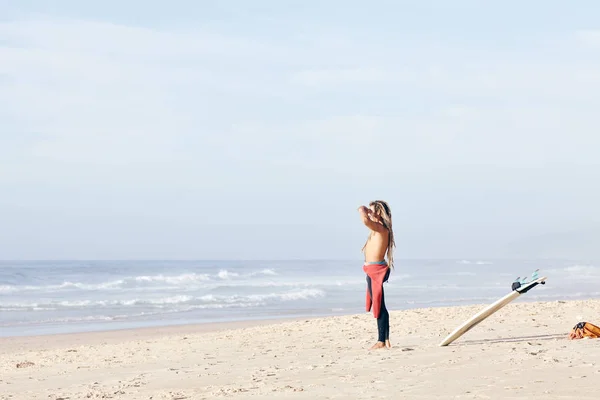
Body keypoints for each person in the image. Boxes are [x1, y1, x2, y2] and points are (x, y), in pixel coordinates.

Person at [358, 200, 396, 350]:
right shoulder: (377, 229)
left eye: (372, 210)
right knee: (381, 305)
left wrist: (362, 210)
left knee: (379, 306)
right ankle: (385, 338)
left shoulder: (381, 228)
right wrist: (368, 212)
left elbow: (365, 220)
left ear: (379, 213)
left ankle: (381, 341)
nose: (369, 212)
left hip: (376, 270)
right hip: (372, 269)